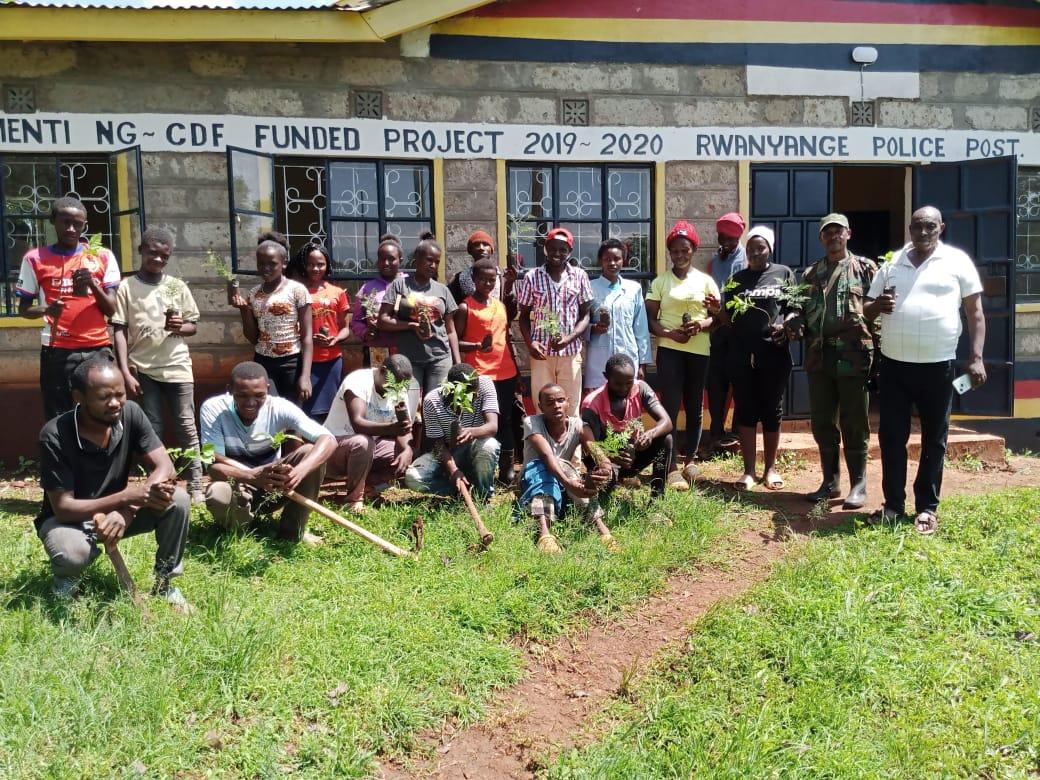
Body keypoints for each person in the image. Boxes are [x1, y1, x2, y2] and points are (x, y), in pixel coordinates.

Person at [864, 206, 986, 534]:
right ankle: (892, 505)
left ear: (941, 228)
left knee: (935, 438)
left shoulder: (957, 262)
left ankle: (927, 508)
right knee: (891, 437)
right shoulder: (891, 264)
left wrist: (976, 357)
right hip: (895, 366)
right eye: (917, 226)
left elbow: (975, 312)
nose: (923, 232)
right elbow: (866, 308)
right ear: (909, 228)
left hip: (939, 367)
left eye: (930, 226)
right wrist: (877, 306)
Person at [35, 356, 191, 609]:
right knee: (73, 555)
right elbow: (63, 506)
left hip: (118, 512)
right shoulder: (55, 435)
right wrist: (126, 498)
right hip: (70, 520)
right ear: (79, 397)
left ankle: (165, 584)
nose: (116, 403)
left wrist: (126, 511)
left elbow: (165, 466)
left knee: (178, 499)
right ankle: (65, 581)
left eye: (120, 394)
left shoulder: (130, 414)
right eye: (104, 397)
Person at [112, 227, 205, 504]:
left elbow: (193, 326)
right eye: (152, 253)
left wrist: (182, 326)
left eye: (164, 256)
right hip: (144, 369)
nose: (158, 259)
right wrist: (125, 371)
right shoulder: (127, 287)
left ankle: (196, 484)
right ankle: (161, 482)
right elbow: (119, 329)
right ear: (141, 250)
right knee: (152, 428)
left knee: (186, 426)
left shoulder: (176, 285)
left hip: (177, 366)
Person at [200, 361, 336, 544]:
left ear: (268, 389)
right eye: (242, 395)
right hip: (238, 485)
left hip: (274, 485)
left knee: (309, 452)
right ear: (229, 389)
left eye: (259, 396)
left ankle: (292, 531)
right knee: (217, 493)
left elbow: (328, 440)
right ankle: (238, 531)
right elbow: (213, 468)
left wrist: (299, 472)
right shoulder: (213, 409)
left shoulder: (279, 407)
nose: (250, 403)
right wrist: (251, 476)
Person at [796, 213, 878, 509]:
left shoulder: (866, 268)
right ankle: (830, 482)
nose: (833, 236)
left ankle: (859, 484)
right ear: (821, 238)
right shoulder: (810, 274)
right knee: (822, 421)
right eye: (827, 233)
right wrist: (794, 321)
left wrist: (879, 352)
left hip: (853, 355)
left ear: (848, 234)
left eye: (838, 231)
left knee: (854, 421)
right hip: (820, 355)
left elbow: (879, 310)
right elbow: (800, 310)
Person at [708, 225, 798, 491]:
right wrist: (717, 311)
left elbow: (794, 309)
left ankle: (770, 468)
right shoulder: (737, 279)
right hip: (742, 355)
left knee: (772, 410)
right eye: (751, 249)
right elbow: (728, 319)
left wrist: (788, 325)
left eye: (761, 248)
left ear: (770, 248)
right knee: (746, 411)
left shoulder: (784, 274)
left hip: (774, 354)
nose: (756, 253)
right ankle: (748, 471)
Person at [16, 196, 121, 421]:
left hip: (98, 347)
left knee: (103, 411)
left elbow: (112, 310)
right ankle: (65, 456)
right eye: (65, 222)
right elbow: (23, 309)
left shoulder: (101, 256)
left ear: (85, 224)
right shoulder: (35, 259)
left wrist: (92, 283)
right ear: (53, 221)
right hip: (57, 349)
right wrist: (47, 310)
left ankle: (101, 456)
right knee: (59, 414)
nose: (72, 228)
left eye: (78, 223)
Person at [646, 220, 719, 488]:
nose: (679, 255)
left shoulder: (706, 281)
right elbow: (651, 320)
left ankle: (691, 461)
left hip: (699, 350)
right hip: (671, 351)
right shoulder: (661, 282)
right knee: (671, 406)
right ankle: (672, 465)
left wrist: (701, 324)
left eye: (684, 250)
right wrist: (668, 334)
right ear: (669, 253)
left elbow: (717, 317)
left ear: (693, 250)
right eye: (674, 251)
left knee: (695, 406)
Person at [517, 383, 613, 554]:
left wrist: (605, 468)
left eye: (561, 400)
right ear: (541, 407)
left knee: (573, 473)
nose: (557, 406)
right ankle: (544, 534)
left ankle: (602, 530)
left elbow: (596, 450)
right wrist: (570, 483)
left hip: (563, 480)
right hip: (534, 480)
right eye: (550, 402)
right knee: (546, 467)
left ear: (568, 402)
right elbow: (547, 456)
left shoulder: (578, 425)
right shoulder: (531, 422)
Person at [325, 354, 419, 512]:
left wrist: (407, 450)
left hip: (369, 449)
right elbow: (358, 423)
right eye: (393, 384)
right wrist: (392, 428)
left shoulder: (398, 389)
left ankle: (370, 485)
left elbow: (404, 429)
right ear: (382, 371)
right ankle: (353, 500)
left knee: (404, 451)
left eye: (400, 385)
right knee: (363, 442)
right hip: (335, 447)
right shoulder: (358, 381)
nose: (396, 389)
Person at [455, 257, 520, 484]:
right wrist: (476, 346)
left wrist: (518, 370)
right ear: (473, 279)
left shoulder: (499, 305)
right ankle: (479, 469)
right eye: (483, 279)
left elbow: (506, 337)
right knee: (480, 421)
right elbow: (456, 341)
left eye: (492, 280)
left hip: (506, 372)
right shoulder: (465, 307)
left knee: (505, 420)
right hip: (480, 374)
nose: (488, 284)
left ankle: (507, 469)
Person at [517, 226, 593, 416]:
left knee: (571, 406)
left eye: (562, 249)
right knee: (542, 405)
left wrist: (569, 338)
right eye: (552, 248)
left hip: (570, 354)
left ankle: (572, 446)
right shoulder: (532, 277)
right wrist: (530, 342)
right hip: (541, 355)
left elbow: (586, 315)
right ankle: (543, 446)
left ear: (570, 251)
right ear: (545, 248)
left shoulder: (580, 276)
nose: (557, 253)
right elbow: (524, 316)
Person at [581, 353, 675, 500]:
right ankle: (611, 482)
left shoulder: (641, 388)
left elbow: (667, 422)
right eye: (617, 383)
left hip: (633, 454)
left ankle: (657, 499)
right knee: (604, 490)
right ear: (606, 377)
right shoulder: (592, 404)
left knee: (666, 439)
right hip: (605, 460)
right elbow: (591, 445)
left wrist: (649, 435)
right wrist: (612, 458)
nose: (624, 388)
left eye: (628, 382)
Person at [379, 232, 461, 395]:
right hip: (408, 360)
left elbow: (451, 331)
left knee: (436, 406)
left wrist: (457, 363)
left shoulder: (442, 290)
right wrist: (410, 325)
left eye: (437, 262)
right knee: (409, 405)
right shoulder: (399, 285)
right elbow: (382, 320)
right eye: (429, 260)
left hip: (440, 358)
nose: (433, 265)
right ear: (417, 258)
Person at [231, 240, 313, 403]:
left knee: (290, 412)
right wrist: (244, 310)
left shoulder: (297, 290)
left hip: (292, 362)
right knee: (267, 408)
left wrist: (305, 376)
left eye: (272, 264)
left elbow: (307, 337)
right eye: (261, 264)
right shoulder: (254, 294)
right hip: (263, 361)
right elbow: (253, 338)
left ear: (284, 263)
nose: (265, 269)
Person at [405, 363, 500, 500]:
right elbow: (437, 444)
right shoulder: (432, 400)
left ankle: (484, 495)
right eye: (471, 393)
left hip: (475, 449)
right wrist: (453, 470)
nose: (477, 395)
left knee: (489, 445)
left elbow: (492, 427)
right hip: (447, 453)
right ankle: (458, 490)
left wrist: (471, 432)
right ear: (453, 391)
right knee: (413, 478)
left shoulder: (484, 384)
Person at [286, 241, 351, 423]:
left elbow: (346, 328)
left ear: (327, 265)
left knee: (332, 410)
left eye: (320, 264)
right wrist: (307, 337)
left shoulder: (337, 292)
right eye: (311, 264)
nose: (315, 268)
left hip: (332, 360)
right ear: (304, 265)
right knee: (307, 409)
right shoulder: (297, 291)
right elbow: (290, 324)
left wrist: (335, 339)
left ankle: (331, 447)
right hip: (307, 361)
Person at [704, 212, 747, 455]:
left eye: (731, 238)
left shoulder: (747, 260)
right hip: (717, 331)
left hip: (739, 330)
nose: (726, 243)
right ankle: (716, 434)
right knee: (716, 384)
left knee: (740, 384)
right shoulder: (714, 262)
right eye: (722, 237)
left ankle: (739, 435)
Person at [585, 238, 652, 390]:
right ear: (600, 261)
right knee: (600, 407)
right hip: (599, 360)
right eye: (607, 259)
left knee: (626, 406)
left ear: (624, 260)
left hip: (628, 359)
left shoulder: (634, 289)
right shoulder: (589, 288)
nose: (612, 263)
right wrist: (594, 329)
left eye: (617, 259)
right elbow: (580, 322)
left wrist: (642, 364)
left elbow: (640, 329)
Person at [350, 234, 404, 368]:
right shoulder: (367, 289)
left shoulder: (410, 286)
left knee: (405, 387)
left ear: (400, 260)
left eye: (391, 259)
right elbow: (356, 321)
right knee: (378, 386)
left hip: (405, 349)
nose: (386, 263)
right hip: (377, 349)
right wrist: (365, 332)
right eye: (382, 259)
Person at [448, 229, 517, 305]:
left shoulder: (504, 276)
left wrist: (509, 286)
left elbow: (512, 312)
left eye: (485, 244)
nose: (481, 248)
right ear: (470, 251)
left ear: (491, 250)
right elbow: (452, 309)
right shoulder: (459, 278)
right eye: (476, 245)